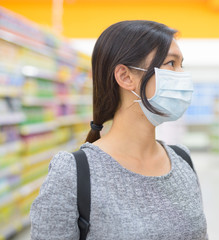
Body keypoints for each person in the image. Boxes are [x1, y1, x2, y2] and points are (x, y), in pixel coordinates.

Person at [30, 20, 208, 240]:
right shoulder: (72, 173)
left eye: (182, 65)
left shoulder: (182, 160)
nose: (182, 76)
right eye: (171, 64)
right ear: (125, 77)